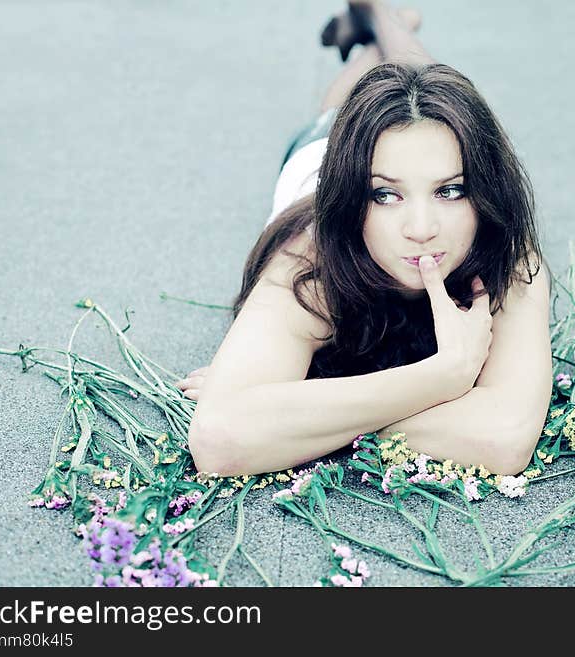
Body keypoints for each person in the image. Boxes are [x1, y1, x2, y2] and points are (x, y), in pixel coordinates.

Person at [178, 0, 553, 478]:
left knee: (426, 89)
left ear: (484, 190)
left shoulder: (509, 257)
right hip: (320, 160)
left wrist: (301, 413)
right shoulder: (309, 261)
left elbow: (504, 438)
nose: (421, 228)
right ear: (358, 201)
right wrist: (444, 378)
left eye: (450, 190)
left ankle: (382, 20)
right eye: (386, 196)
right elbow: (219, 438)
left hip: (406, 137)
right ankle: (379, 25)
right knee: (341, 111)